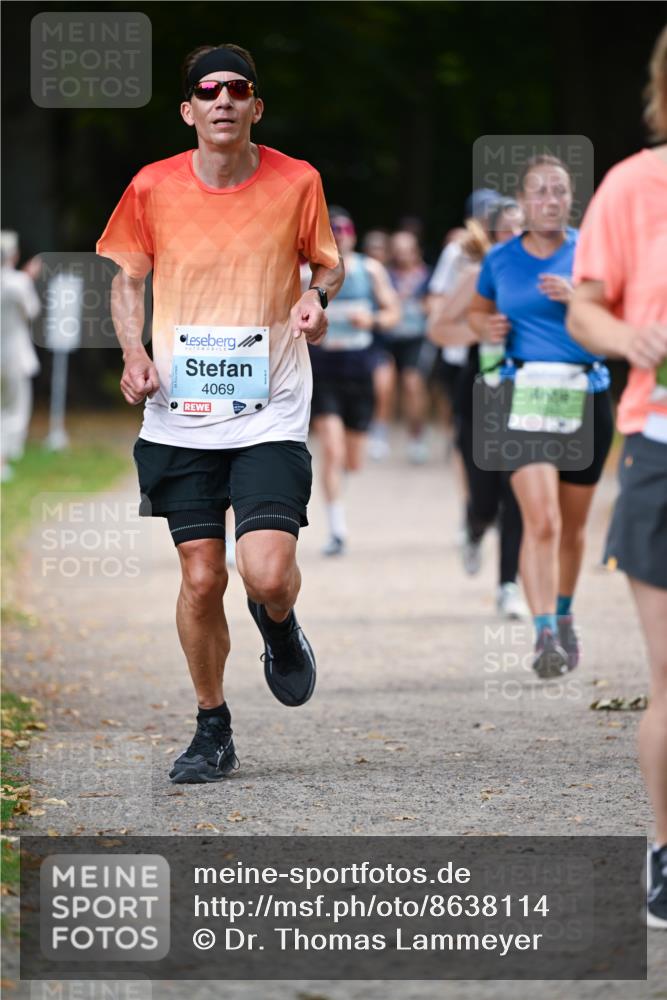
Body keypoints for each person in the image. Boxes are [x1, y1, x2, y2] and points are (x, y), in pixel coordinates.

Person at [97, 44, 344, 784]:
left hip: (269, 406)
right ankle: (212, 727)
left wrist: (315, 297)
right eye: (208, 91)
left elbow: (328, 262)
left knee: (264, 573)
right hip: (181, 411)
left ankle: (279, 624)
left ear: (256, 106)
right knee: (202, 579)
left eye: (238, 89)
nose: (224, 100)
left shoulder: (297, 180)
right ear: (189, 110)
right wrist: (132, 353)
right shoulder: (152, 186)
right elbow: (126, 279)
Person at [567, 26, 667, 929]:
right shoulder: (633, 187)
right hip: (659, 444)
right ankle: (666, 852)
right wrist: (627, 337)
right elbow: (586, 311)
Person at [468, 156, 613, 678]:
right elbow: (478, 311)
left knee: (572, 528)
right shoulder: (501, 259)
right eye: (540, 192)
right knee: (542, 521)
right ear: (524, 201)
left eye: (560, 191)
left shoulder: (593, 252)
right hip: (523, 396)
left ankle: (565, 614)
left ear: (571, 199)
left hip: (585, 396)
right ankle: (544, 631)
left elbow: (621, 320)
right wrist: (486, 329)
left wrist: (579, 301)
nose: (551, 200)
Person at [428, 200, 528, 619]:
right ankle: (474, 526)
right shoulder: (477, 275)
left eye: (524, 227)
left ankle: (508, 585)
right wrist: (479, 328)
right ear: (492, 235)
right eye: (508, 228)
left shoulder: (545, 277)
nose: (517, 235)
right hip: (480, 389)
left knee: (517, 490)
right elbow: (438, 328)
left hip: (529, 392)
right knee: (485, 496)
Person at [309, 207, 400, 556]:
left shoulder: (369, 269)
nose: (340, 238)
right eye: (333, 232)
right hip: (323, 371)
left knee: (352, 460)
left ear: (353, 236)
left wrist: (372, 319)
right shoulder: (307, 272)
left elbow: (393, 314)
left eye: (344, 232)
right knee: (331, 451)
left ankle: (339, 487)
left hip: (359, 371)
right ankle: (337, 530)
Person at [0, 231, 41, 481]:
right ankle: (3, 460)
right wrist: (27, 278)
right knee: (15, 409)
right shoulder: (17, 282)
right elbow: (32, 311)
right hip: (14, 355)